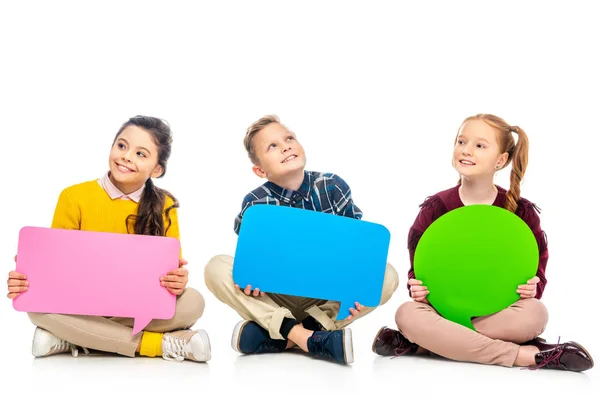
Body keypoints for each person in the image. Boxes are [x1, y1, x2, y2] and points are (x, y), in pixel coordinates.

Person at [372, 114, 593, 372]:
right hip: (444, 312)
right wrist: (417, 288)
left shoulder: (520, 212)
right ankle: (527, 356)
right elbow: (420, 269)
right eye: (461, 141)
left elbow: (536, 272)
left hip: (498, 313)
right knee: (407, 314)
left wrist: (533, 287)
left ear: (501, 160)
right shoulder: (436, 208)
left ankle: (427, 345)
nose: (466, 150)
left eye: (480, 145)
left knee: (536, 313)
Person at [7, 115, 210, 362]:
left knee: (193, 302)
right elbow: (56, 268)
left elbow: (170, 272)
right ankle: (157, 344)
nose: (126, 156)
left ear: (157, 169)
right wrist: (32, 275)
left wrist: (178, 281)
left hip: (134, 308)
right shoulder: (74, 196)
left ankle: (76, 337)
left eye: (141, 153)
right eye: (122, 146)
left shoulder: (164, 204)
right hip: (80, 303)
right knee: (36, 307)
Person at [205, 115, 398, 364]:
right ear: (260, 170)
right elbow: (251, 258)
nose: (286, 146)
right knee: (216, 267)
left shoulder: (332, 185)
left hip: (325, 295)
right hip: (275, 295)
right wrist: (250, 279)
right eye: (272, 146)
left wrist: (357, 284)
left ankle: (287, 334)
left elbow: (357, 245)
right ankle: (306, 336)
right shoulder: (255, 203)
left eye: (289, 138)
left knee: (388, 275)